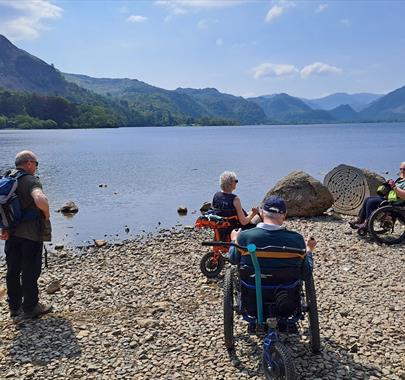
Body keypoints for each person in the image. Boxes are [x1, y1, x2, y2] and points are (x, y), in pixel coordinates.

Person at [229, 195, 316, 332]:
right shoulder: (297, 240)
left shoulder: (245, 237)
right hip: (287, 300)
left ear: (262, 213)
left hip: (253, 300)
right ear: (284, 215)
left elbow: (233, 259)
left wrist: (234, 240)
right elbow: (306, 273)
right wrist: (309, 250)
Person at [0, 150, 52, 319]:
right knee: (30, 271)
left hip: (12, 232)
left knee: (13, 270)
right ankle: (31, 307)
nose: (36, 168)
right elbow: (39, 199)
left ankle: (14, 307)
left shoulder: (7, 178)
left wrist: (5, 228)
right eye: (36, 164)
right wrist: (47, 214)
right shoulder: (30, 180)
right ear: (29, 163)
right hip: (30, 234)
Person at [350, 162, 405, 229]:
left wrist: (394, 187)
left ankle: (367, 223)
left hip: (397, 203)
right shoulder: (400, 179)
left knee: (371, 202)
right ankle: (360, 219)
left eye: (404, 169)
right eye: (401, 169)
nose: (402, 171)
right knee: (367, 199)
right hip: (391, 199)